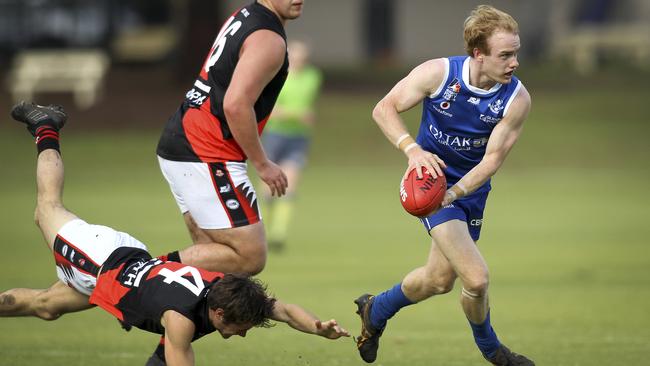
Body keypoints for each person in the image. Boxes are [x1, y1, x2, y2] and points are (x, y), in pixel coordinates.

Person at [1, 102, 349, 366]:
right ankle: (46, 124)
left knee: (45, 307)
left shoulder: (228, 293)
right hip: (100, 260)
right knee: (46, 208)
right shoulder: (181, 319)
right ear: (219, 315)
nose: (243, 334)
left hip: (126, 262)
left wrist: (318, 327)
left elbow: (285, 311)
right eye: (242, 327)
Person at [353, 5, 534, 366]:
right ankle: (493, 351)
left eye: (515, 53)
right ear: (478, 54)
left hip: (469, 190)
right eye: (505, 55)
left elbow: (491, 162)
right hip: (430, 186)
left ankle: (375, 310)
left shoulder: (516, 99)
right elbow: (383, 109)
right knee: (477, 278)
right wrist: (413, 150)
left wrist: (456, 193)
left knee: (437, 280)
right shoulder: (438, 73)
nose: (514, 62)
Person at [155, 0, 303, 275]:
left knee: (216, 269)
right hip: (206, 151)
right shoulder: (268, 39)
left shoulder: (246, 15)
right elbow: (235, 104)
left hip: (185, 140)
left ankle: (199, 314)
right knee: (249, 256)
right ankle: (136, 275)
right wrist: (262, 164)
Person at [261, 40, 322, 251]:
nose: (299, 61)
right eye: (295, 57)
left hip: (298, 137)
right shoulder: (276, 77)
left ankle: (278, 235)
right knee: (268, 188)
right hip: (275, 135)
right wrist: (298, 114)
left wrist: (300, 115)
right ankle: (262, 232)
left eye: (303, 58)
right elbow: (272, 110)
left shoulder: (313, 77)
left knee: (290, 184)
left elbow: (305, 105)